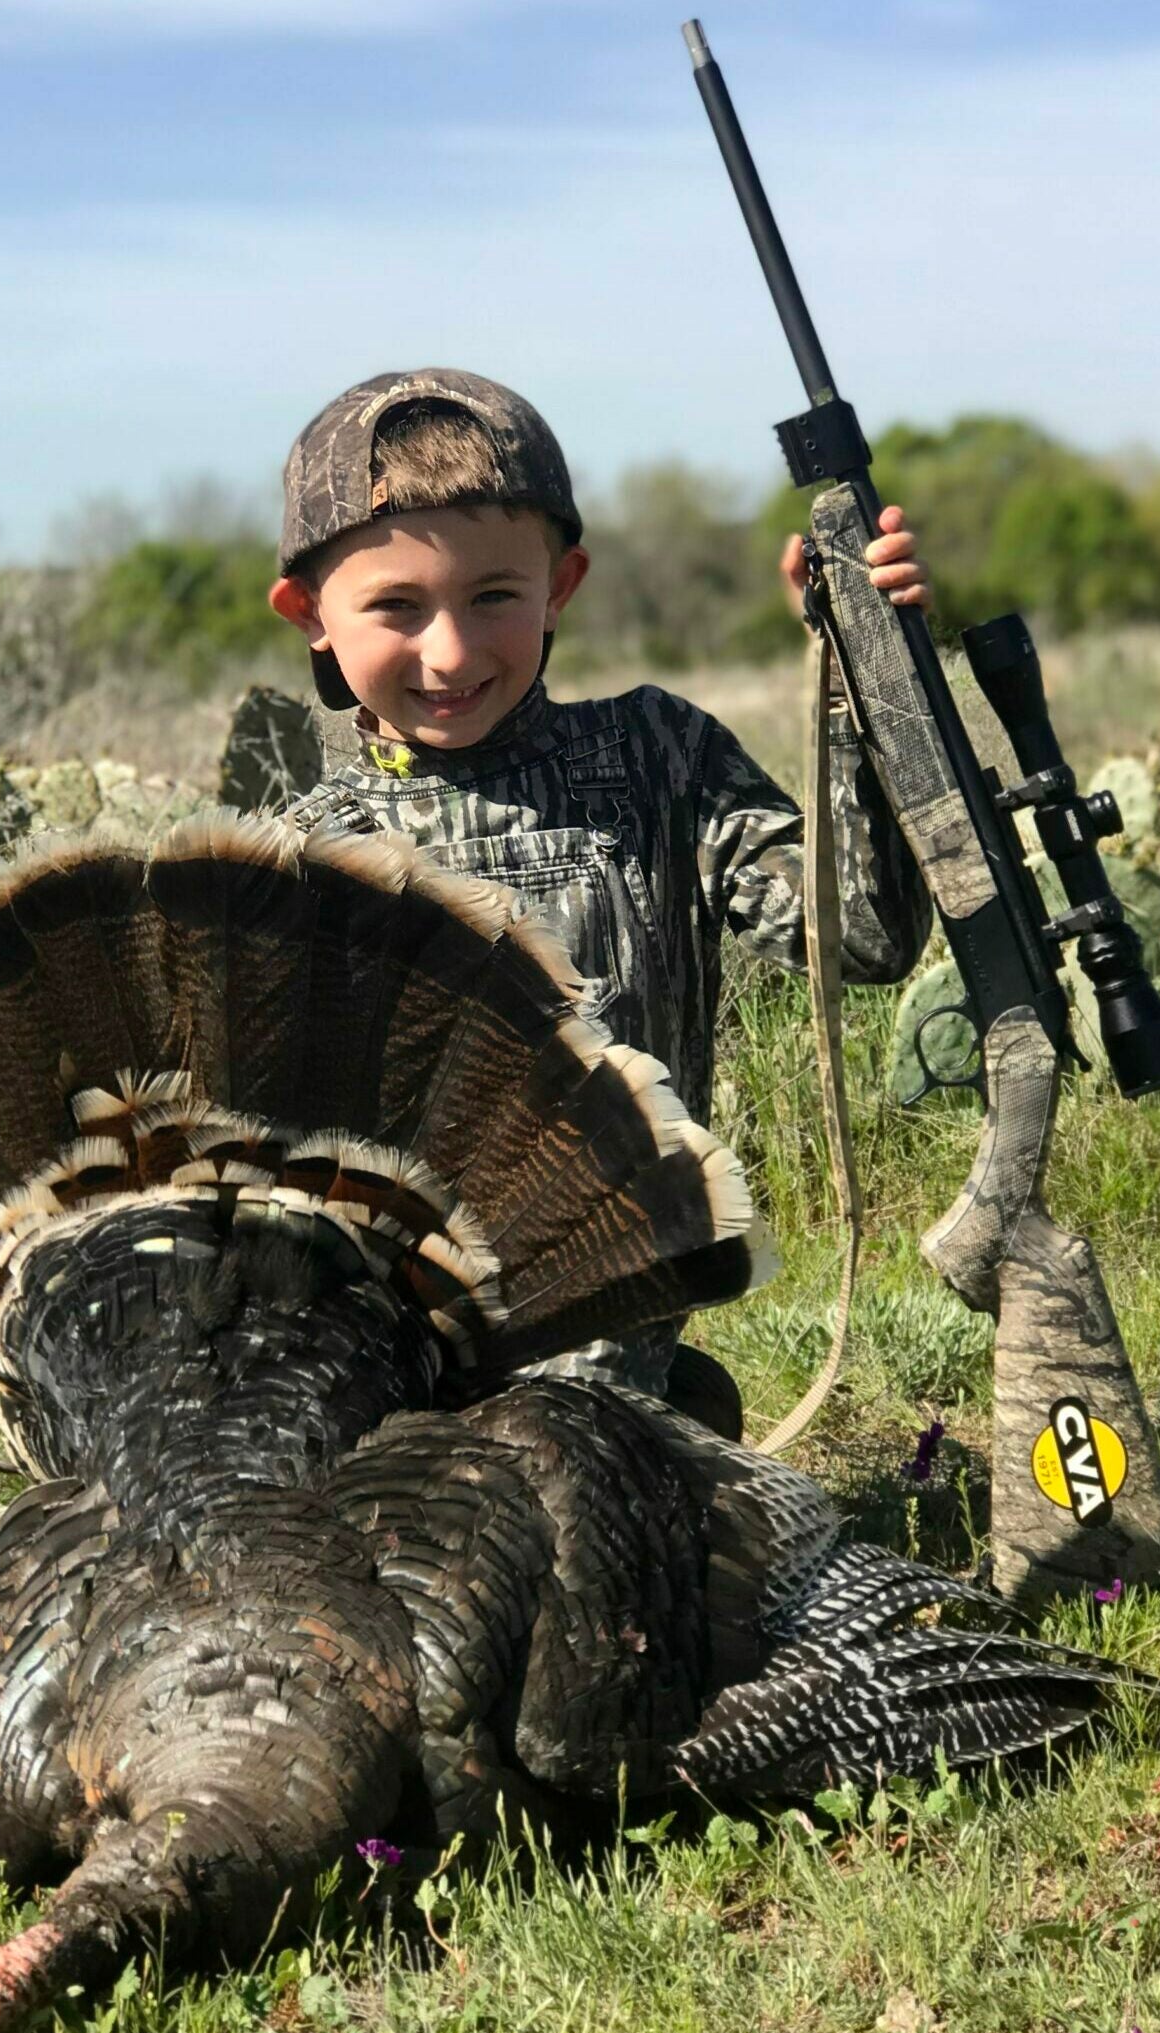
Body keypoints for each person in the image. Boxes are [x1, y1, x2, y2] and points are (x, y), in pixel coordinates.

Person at [268, 369, 933, 1437]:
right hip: (391, 1407)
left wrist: (871, 668)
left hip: (612, 1374)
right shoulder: (296, 852)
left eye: (495, 596)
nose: (451, 651)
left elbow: (862, 931)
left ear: (561, 585)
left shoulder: (656, 757)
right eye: (395, 605)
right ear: (308, 614)